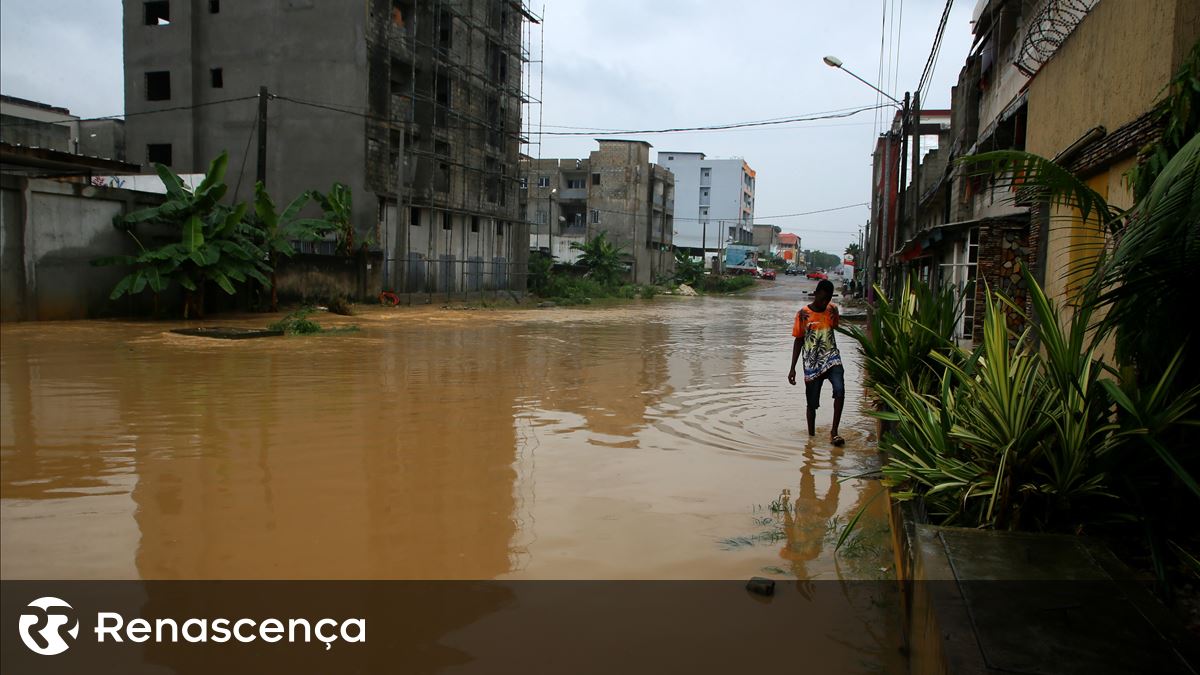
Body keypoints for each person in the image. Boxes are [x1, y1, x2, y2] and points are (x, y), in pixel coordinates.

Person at [787, 279, 845, 446]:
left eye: (828, 299)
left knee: (840, 390)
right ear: (816, 293)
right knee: (812, 404)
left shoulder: (833, 310)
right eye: (823, 298)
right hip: (812, 363)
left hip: (833, 358)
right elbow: (798, 341)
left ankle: (834, 432)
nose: (825, 302)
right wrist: (792, 368)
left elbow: (833, 328)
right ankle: (811, 439)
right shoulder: (802, 314)